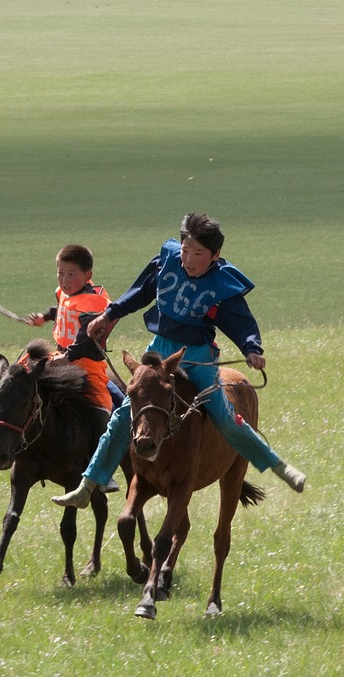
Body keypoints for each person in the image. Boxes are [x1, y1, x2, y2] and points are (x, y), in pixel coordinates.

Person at [51, 212, 307, 508]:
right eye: (186, 250)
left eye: (198, 253)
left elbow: (241, 321)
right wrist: (108, 316)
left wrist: (252, 348)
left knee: (225, 418)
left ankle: (278, 466)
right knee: (123, 415)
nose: (189, 259)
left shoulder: (221, 284)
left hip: (198, 354)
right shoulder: (167, 260)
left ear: (215, 255)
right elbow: (138, 293)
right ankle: (88, 485)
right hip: (160, 349)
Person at [26, 244, 126, 493]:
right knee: (20, 377)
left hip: (85, 362)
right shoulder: (64, 292)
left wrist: (68, 357)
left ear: (87, 276)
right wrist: (45, 316)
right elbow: (63, 308)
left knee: (99, 405)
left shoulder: (94, 303)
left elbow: (85, 337)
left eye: (72, 274)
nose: (65, 279)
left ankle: (102, 469)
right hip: (59, 354)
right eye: (61, 273)